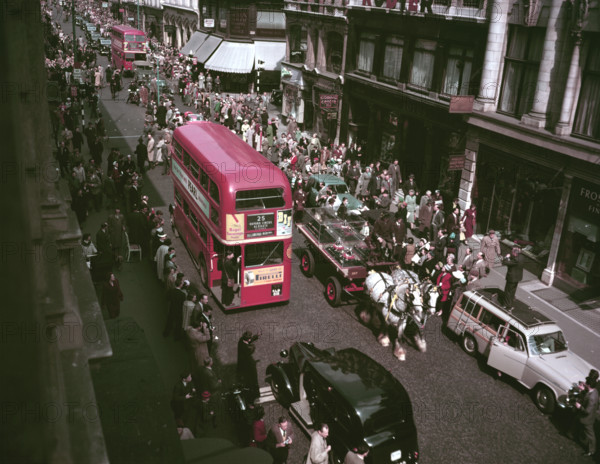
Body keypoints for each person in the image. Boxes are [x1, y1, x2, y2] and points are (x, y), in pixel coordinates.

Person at [237, 330, 260, 403]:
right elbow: (251, 348)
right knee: (251, 383)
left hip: (243, 365)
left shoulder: (241, 341)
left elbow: (249, 341)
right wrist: (253, 346)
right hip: (248, 368)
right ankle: (252, 398)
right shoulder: (247, 348)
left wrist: (256, 336)